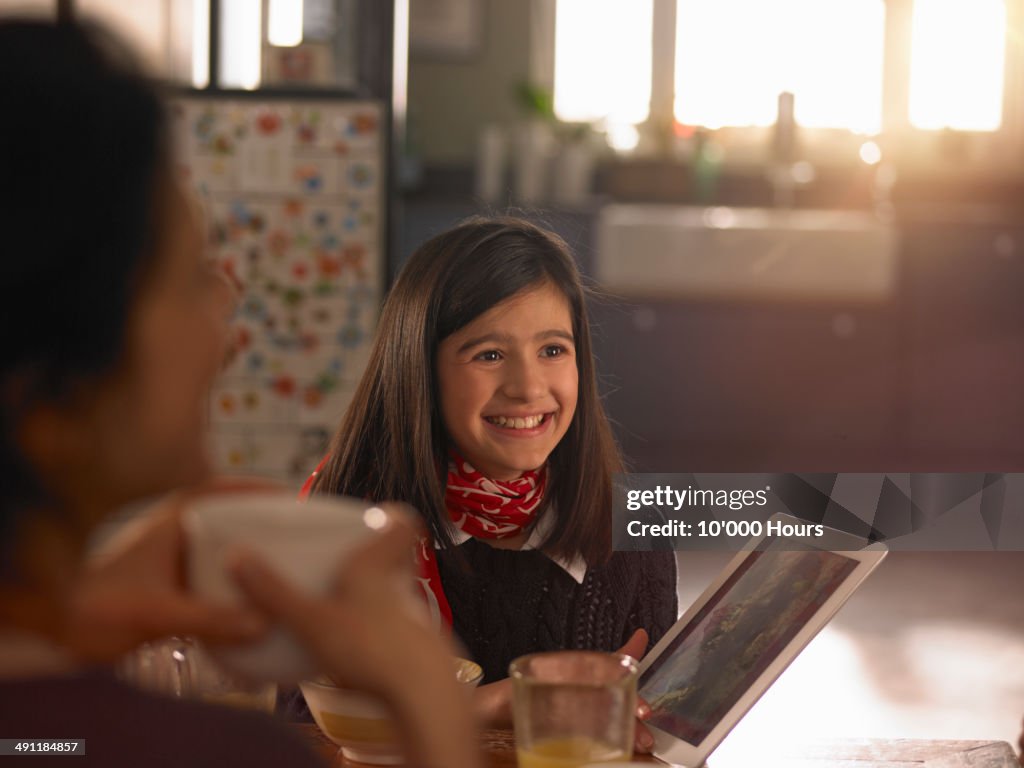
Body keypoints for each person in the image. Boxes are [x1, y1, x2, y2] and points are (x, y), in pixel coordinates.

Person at [0, 19, 478, 768]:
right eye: (191, 281)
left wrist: (56, 620)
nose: (226, 319)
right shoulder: (207, 752)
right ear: (52, 404)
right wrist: (426, 700)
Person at [303, 216, 678, 749]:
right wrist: (493, 704)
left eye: (553, 350)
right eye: (490, 355)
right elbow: (304, 730)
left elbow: (655, 738)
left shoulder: (634, 531)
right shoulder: (345, 520)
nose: (528, 388)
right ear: (421, 369)